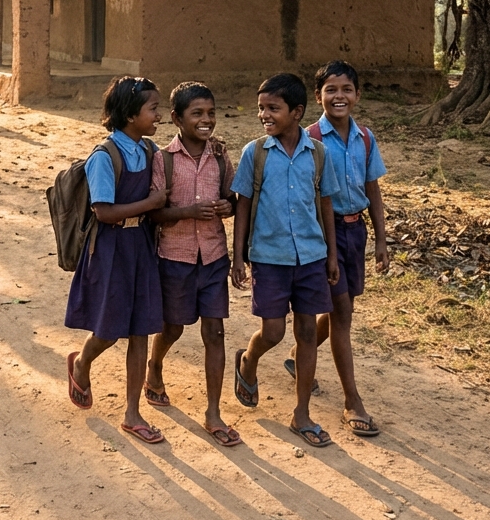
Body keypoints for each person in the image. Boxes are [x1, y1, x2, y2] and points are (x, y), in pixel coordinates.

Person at [230, 72, 339, 448]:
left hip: (311, 256)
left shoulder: (318, 153)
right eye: (261, 108)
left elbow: (326, 205)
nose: (264, 115)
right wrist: (238, 256)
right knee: (274, 332)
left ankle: (302, 413)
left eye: (272, 108)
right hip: (269, 258)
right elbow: (243, 205)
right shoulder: (255, 153)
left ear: (297, 112)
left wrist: (332, 256)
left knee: (307, 332)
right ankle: (248, 359)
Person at [285, 61, 388, 437]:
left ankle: (298, 359)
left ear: (357, 95)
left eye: (346, 89)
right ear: (318, 96)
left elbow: (372, 189)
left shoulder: (365, 138)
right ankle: (352, 401)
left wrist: (380, 238)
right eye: (331, 89)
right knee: (341, 312)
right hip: (320, 236)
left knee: (342, 306)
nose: (339, 96)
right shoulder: (308, 138)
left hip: (354, 231)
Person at [65, 76, 169, 446]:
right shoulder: (104, 157)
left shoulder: (150, 150)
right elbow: (104, 211)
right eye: (153, 109)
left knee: (140, 328)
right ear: (129, 115)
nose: (159, 115)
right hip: (111, 249)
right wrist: (150, 204)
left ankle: (132, 413)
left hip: (140, 246)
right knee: (109, 329)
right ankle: (81, 363)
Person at [145, 82, 241, 447]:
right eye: (197, 114)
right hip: (176, 258)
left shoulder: (219, 156)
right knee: (172, 327)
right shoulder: (163, 160)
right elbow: (155, 214)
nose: (206, 120)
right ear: (176, 119)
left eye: (211, 113)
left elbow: (232, 197)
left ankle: (213, 412)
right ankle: (154, 368)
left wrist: (227, 207)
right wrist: (187, 212)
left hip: (214, 257)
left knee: (214, 332)